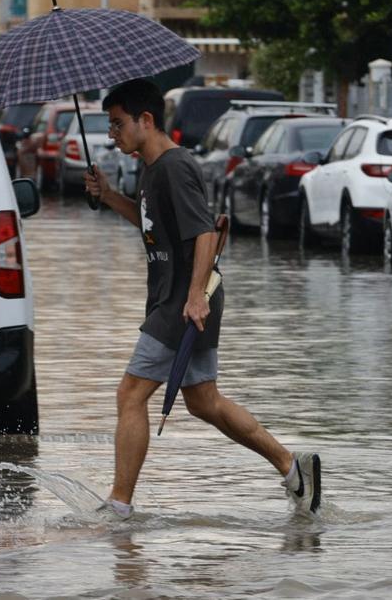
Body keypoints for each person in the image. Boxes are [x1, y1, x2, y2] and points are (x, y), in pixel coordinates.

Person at [83, 79, 321, 520]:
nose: (112, 134)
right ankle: (294, 470)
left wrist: (194, 298)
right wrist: (111, 196)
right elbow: (153, 225)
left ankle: (118, 505)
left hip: (184, 300)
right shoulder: (152, 169)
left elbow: (205, 231)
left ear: (146, 120)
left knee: (130, 394)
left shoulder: (174, 166)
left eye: (118, 124)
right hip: (177, 297)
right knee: (204, 402)